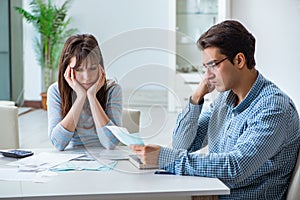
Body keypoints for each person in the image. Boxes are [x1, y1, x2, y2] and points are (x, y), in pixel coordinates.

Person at [130, 20, 300, 199]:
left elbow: (235, 166)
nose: (207, 75)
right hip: (215, 193)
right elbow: (183, 144)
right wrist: (196, 98)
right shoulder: (225, 99)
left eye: (213, 65)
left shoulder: (273, 108)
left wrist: (165, 158)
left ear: (239, 60)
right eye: (206, 67)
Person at [47, 34, 122, 150]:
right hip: (70, 158)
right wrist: (80, 97)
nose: (87, 77)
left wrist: (92, 97)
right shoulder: (55, 91)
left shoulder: (112, 90)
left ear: (100, 67)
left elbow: (110, 143)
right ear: (67, 69)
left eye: (92, 68)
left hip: (106, 157)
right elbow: (58, 143)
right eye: (79, 70)